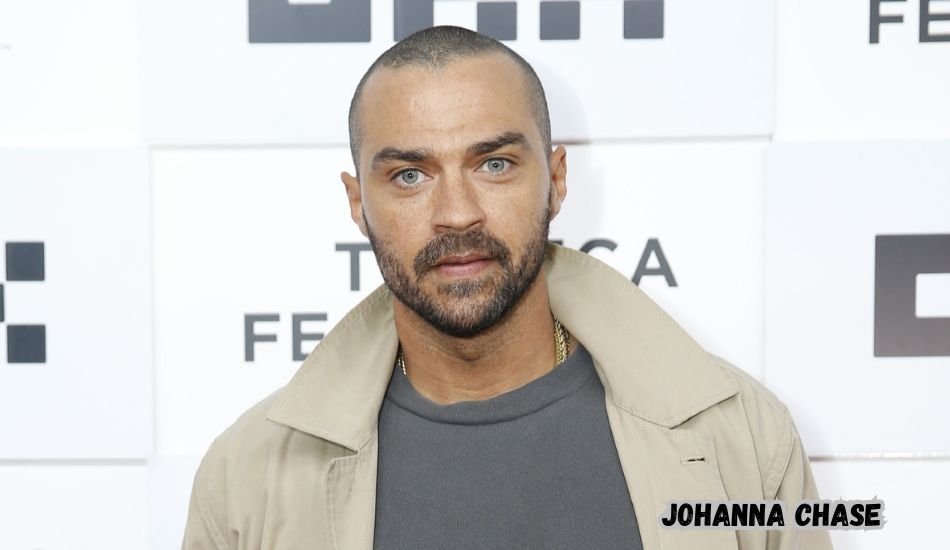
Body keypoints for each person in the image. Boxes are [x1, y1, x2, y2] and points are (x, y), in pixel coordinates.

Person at [183, 25, 831, 550]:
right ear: (358, 202)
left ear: (555, 178)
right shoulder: (248, 479)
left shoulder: (742, 436)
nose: (458, 212)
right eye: (410, 175)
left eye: (494, 164)